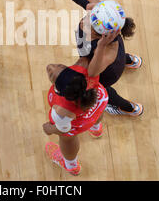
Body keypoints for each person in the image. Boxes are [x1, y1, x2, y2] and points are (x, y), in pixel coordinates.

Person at [42, 32, 118, 175]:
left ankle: (71, 166)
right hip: (98, 103)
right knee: (96, 114)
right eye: (58, 66)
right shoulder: (86, 68)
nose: (50, 67)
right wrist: (103, 44)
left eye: (52, 74)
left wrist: (49, 129)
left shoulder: (62, 111)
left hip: (80, 120)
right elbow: (104, 54)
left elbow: (63, 129)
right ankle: (96, 128)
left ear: (63, 92)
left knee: (67, 139)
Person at [67, 0, 143, 116]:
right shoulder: (101, 11)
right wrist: (86, 3)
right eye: (90, 20)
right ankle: (129, 60)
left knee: (102, 91)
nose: (86, 25)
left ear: (103, 35)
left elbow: (91, 72)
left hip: (109, 72)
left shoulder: (110, 49)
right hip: (107, 56)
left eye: (92, 28)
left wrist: (101, 47)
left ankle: (128, 108)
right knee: (120, 57)